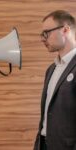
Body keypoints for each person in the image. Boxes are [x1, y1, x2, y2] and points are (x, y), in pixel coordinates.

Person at [33, 10, 76, 150]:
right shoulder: (51, 69)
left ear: (65, 30)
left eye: (47, 32)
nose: (42, 39)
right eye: (42, 34)